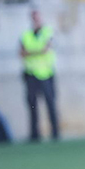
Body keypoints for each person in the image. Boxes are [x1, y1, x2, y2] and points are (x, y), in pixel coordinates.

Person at [21, 9, 60, 140]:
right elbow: (22, 53)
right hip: (31, 74)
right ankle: (34, 134)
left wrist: (31, 51)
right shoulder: (26, 35)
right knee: (32, 105)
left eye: (37, 17)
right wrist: (38, 50)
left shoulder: (47, 32)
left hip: (46, 74)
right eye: (34, 18)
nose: (36, 20)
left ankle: (55, 133)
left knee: (50, 103)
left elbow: (46, 49)